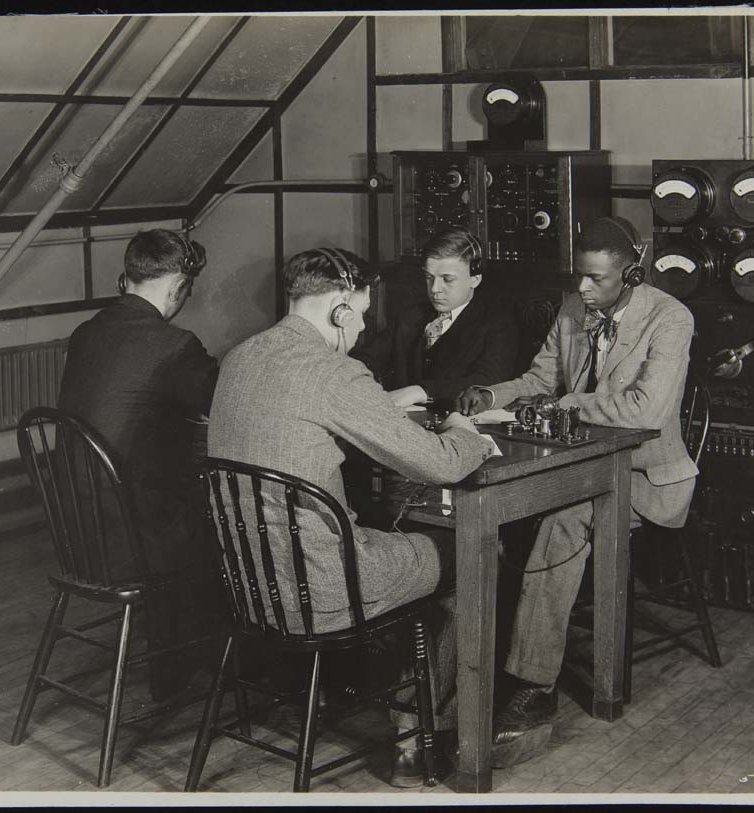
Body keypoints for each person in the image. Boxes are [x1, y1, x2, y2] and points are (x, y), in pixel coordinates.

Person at [209, 247, 496, 787]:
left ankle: (380, 696)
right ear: (340, 309)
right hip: (321, 588)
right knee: (472, 549)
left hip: (253, 586)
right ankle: (419, 736)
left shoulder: (239, 357)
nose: (362, 329)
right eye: (361, 314)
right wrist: (463, 430)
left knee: (387, 531)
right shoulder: (334, 372)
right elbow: (440, 463)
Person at [456, 216, 698, 768]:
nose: (583, 289)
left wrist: (562, 406)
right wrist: (492, 392)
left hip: (642, 478)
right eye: (579, 277)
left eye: (597, 280)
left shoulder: (670, 318)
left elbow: (646, 411)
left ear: (630, 274)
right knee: (505, 509)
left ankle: (534, 688)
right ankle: (490, 661)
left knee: (561, 521)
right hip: (574, 463)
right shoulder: (572, 309)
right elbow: (541, 380)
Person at [57, 228, 219, 699]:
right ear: (175, 289)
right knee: (230, 527)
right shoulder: (174, 344)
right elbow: (222, 403)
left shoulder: (85, 333)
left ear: (124, 279)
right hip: (132, 543)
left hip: (78, 532)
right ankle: (183, 671)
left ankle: (175, 648)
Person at [352, 227, 519, 412]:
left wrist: (422, 391)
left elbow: (489, 382)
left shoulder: (498, 324)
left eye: (447, 279)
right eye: (429, 278)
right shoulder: (411, 316)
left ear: (475, 279)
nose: (434, 289)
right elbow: (366, 358)